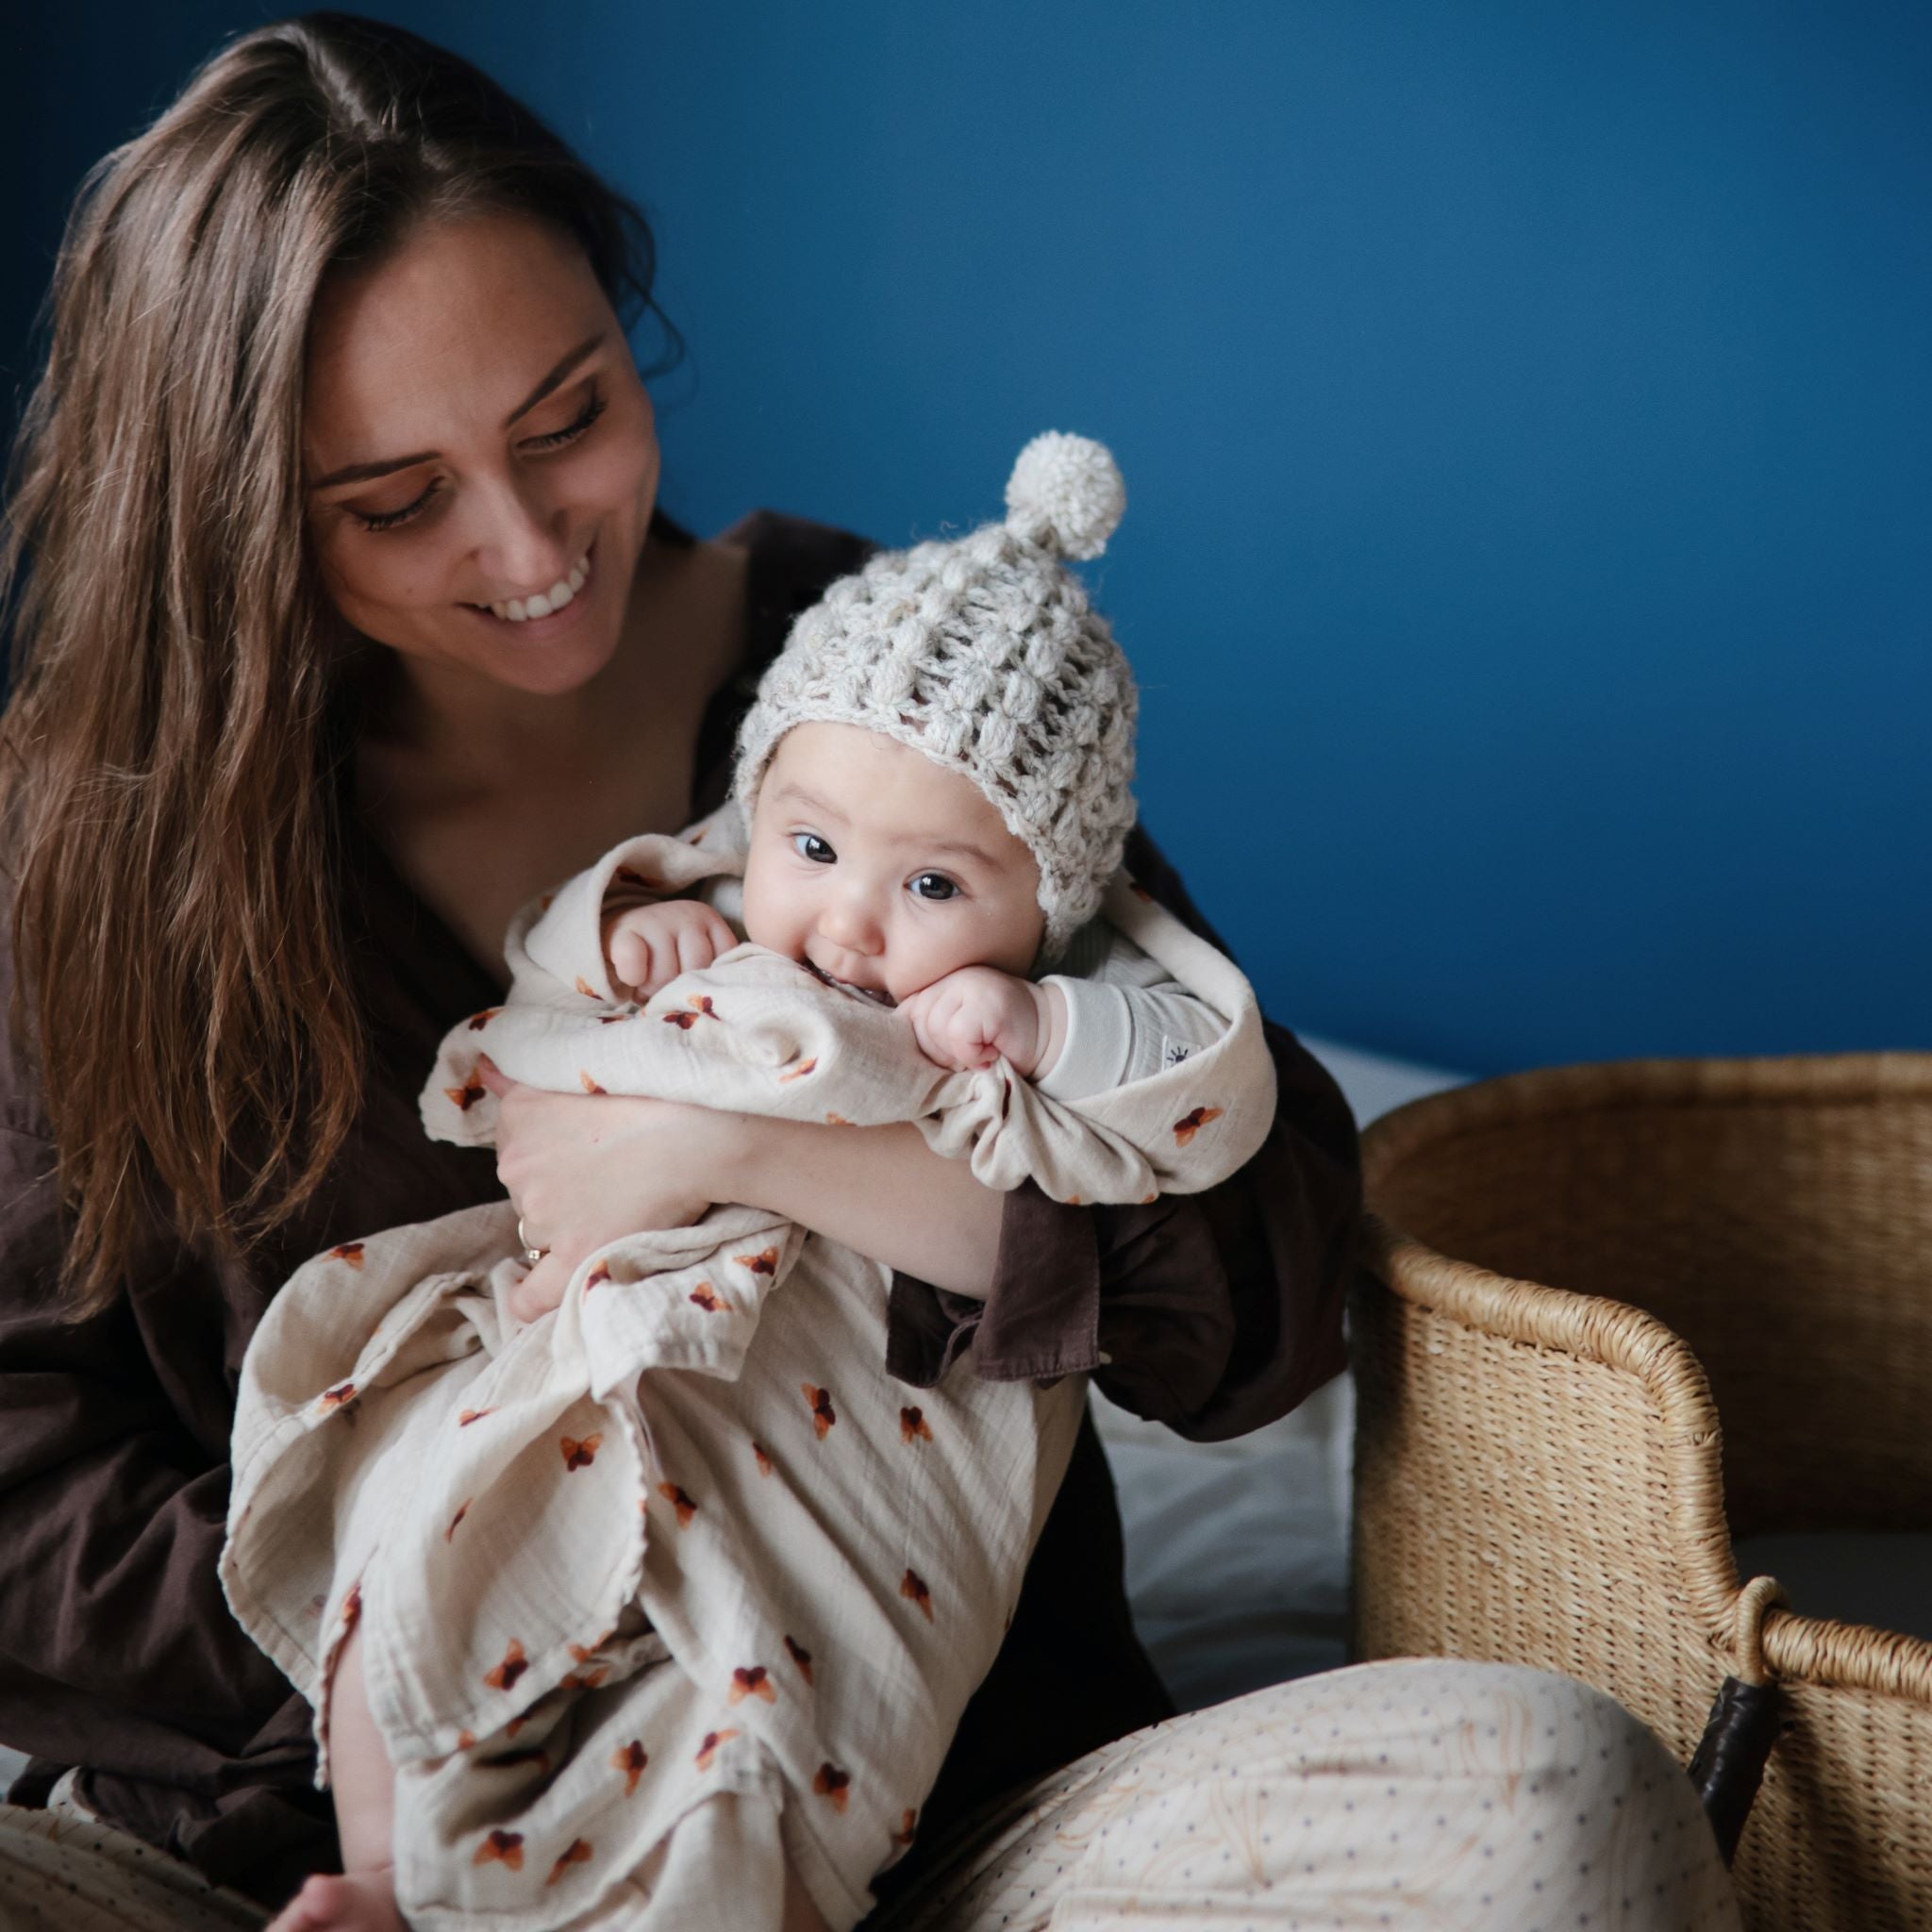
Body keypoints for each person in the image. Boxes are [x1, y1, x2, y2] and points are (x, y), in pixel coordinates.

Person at [0, 14, 1741, 1930]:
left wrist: (741, 1149)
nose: (524, 547)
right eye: (397, 503)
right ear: (232, 514)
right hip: (341, 1835)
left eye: (568, 412)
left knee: (1552, 1803)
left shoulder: (878, 693)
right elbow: (24, 1476)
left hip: (939, 1811)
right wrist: (463, 1642)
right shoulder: (96, 849)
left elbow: (1267, 1287)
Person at [227, 433, 1280, 1932]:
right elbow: (543, 990)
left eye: (933, 887)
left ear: (1044, 911)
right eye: (813, 845)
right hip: (587, 1357)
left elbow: (1209, 1090)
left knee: (760, 1725)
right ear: (757, 808)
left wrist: (1045, 1027)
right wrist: (622, 941)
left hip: (833, 1445)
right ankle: (395, 1872)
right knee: (400, 1545)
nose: (849, 920)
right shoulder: (715, 908)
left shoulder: (1029, 1018)